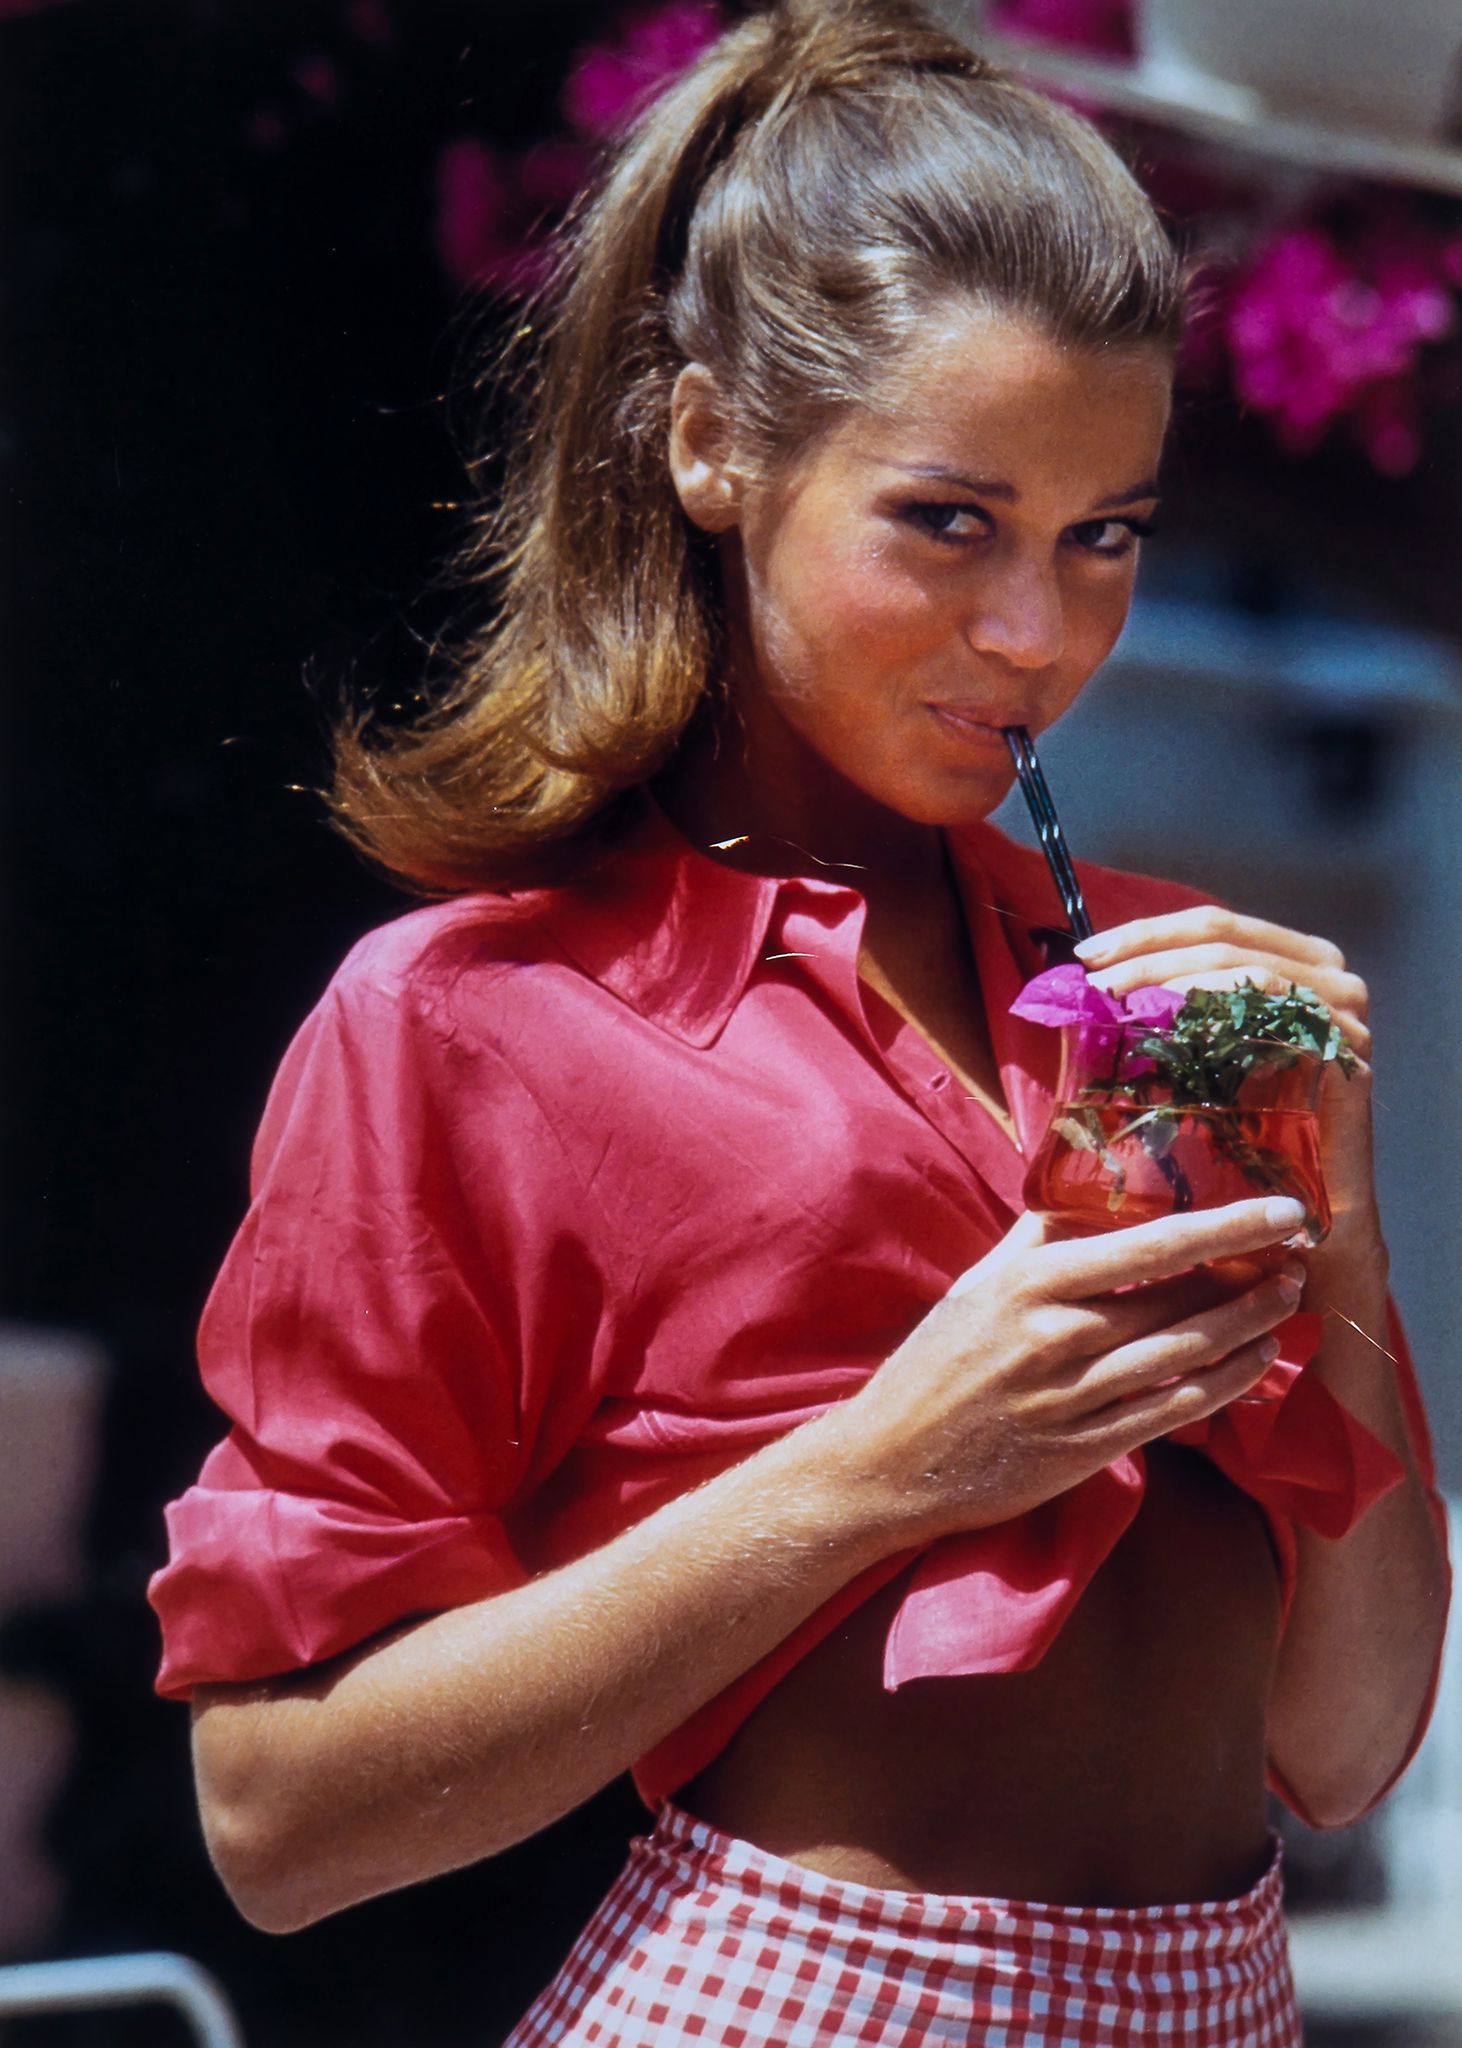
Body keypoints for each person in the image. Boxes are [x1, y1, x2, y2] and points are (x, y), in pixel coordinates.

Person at [150, 3, 1451, 2042]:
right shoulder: (479, 1022)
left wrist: (1337, 1238)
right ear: (710, 446)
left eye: (1101, 536)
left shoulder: (1164, 992)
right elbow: (275, 1819)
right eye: (947, 520)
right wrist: (884, 1470)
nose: (1034, 633)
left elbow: (1344, 1747)